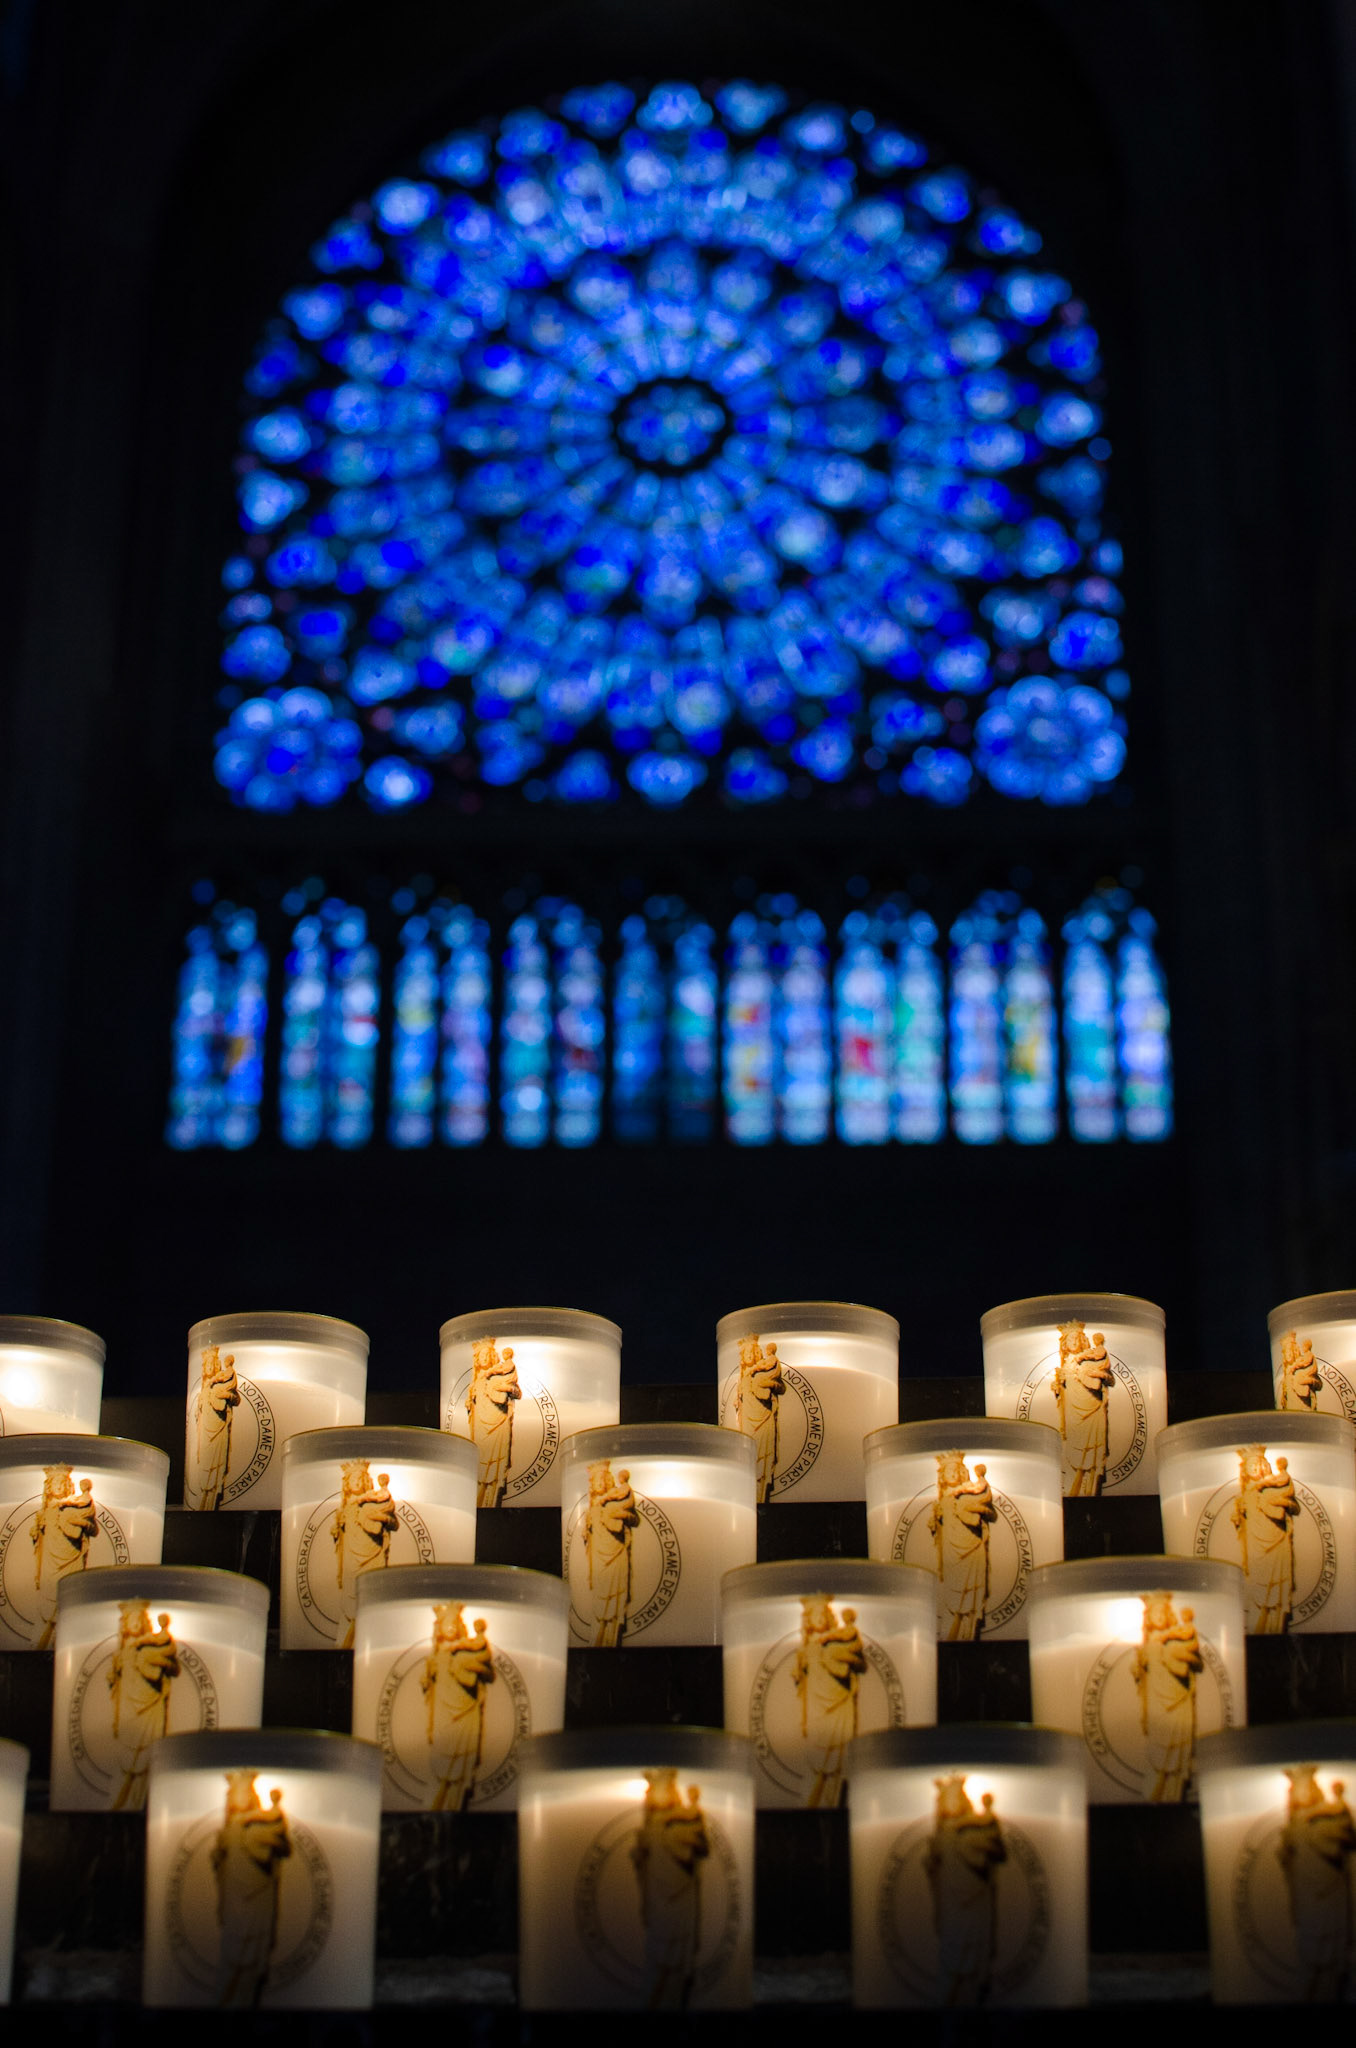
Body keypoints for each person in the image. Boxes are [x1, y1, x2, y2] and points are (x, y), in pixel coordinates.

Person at [924, 1773, 1007, 2006]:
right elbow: (933, 1863)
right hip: (953, 1905)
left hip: (975, 1903)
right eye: (948, 1799)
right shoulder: (947, 1836)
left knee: (973, 1957)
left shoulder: (969, 1833)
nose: (952, 1806)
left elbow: (996, 1852)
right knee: (954, 1955)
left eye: (956, 1798)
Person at [211, 1770, 292, 2007]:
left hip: (258, 1899)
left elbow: (278, 1845)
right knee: (235, 1954)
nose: (241, 1796)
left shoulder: (255, 1828)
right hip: (237, 1900)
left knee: (251, 1959)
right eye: (237, 1792)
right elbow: (220, 1857)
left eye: (246, 1791)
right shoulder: (234, 1830)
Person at [631, 1768, 710, 2009]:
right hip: (666, 1909)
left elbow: (697, 1845)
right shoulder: (665, 1832)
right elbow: (696, 1844)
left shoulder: (665, 1830)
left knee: (669, 1966)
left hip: (672, 1907)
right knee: (666, 1962)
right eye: (671, 1787)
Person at [1277, 1764, 1356, 2000]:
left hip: (1328, 1897)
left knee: (1332, 1958)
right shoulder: (1300, 1827)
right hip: (1312, 1899)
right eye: (1297, 1788)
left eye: (1306, 1786)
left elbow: (1341, 1840)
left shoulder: (1316, 1824)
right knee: (1315, 1955)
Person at [792, 1596, 867, 1807]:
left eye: (823, 1613)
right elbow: (801, 1679)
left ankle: (833, 1802)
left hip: (839, 1699)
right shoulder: (806, 1647)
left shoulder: (836, 1641)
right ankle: (814, 1804)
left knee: (838, 1757)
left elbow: (856, 1661)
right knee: (818, 1755)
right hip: (817, 1705)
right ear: (808, 1619)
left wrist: (844, 1664)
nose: (820, 1618)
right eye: (815, 1614)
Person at [422, 1601, 496, 1812]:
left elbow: (486, 1671)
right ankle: (435, 1810)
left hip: (467, 1709)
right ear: (440, 1628)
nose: (451, 1627)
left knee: (462, 1768)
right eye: (447, 1624)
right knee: (442, 1762)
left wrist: (472, 1671)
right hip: (444, 1712)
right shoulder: (436, 1654)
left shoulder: (465, 1650)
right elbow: (430, 1685)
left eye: (454, 1623)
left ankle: (455, 1808)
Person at [1130, 1592, 1203, 1801]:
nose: (1160, 1617)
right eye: (1155, 1613)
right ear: (1149, 1617)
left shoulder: (1175, 1639)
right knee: (1158, 1749)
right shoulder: (1146, 1644)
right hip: (1157, 1700)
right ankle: (1155, 1797)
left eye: (1163, 1612)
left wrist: (1178, 1659)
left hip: (1179, 1698)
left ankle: (1173, 1795)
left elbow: (1195, 1660)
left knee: (1177, 1753)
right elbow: (1139, 1671)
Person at [108, 1603, 180, 1811]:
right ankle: (121, 1804)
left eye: (139, 1618)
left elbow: (170, 1666)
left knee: (146, 1756)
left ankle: (140, 1803)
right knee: (126, 1755)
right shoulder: (121, 1651)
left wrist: (159, 1667)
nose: (135, 1622)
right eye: (131, 1618)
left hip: (150, 1704)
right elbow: (115, 1680)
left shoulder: (149, 1646)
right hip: (127, 1707)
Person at [331, 1459, 400, 1648]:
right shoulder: (345, 1507)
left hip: (372, 1554)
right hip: (351, 1557)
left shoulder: (373, 1501)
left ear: (367, 1481)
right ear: (347, 1483)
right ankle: (347, 1644)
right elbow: (341, 1534)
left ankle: (371, 1641)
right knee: (351, 1595)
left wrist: (382, 1519)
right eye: (354, 1479)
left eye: (361, 1478)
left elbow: (394, 1523)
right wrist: (337, 1531)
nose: (358, 1482)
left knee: (371, 1595)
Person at [1231, 1445, 1300, 1633]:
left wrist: (1283, 1505)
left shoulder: (1271, 1487)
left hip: (1277, 1540)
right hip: (1256, 1543)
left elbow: (1293, 1506)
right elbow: (1241, 1520)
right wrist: (1238, 1516)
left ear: (1265, 1466)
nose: (1255, 1469)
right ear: (1245, 1471)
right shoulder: (1245, 1493)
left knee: (1276, 1589)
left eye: (1258, 1465)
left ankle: (1274, 1627)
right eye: (1250, 1467)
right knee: (1257, 1585)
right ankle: (1258, 1629)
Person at [929, 1453, 997, 1641]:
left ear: (962, 1472)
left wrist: (978, 1510)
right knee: (952, 1592)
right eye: (949, 1471)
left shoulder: (967, 1491)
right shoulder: (943, 1497)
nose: (953, 1474)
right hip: (951, 1549)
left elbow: (986, 1502)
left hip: (972, 1545)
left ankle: (967, 1632)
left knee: (970, 1597)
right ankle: (952, 1636)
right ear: (942, 1475)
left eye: (956, 1470)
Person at [32, 1464, 99, 1648]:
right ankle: (41, 1646)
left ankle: (63, 1644)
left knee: (66, 1601)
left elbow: (93, 1529)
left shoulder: (73, 1507)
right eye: (56, 1483)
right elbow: (39, 1540)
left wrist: (82, 1524)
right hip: (50, 1561)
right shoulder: (44, 1512)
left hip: (71, 1558)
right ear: (49, 1487)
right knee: (48, 1600)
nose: (60, 1486)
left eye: (63, 1482)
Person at [1052, 1325, 1116, 1496]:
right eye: (1070, 1339)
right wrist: (1057, 1387)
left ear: (1082, 1340)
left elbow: (1109, 1379)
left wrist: (1099, 1376)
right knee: (1074, 1448)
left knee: (1092, 1452)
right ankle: (1074, 1491)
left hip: (1092, 1407)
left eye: (1076, 1338)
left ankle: (1090, 1490)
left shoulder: (1090, 1359)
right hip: (1073, 1412)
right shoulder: (1066, 1362)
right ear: (1065, 1343)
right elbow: (1063, 1389)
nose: (1073, 1342)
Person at [584, 1460, 640, 1646]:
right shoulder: (592, 1507)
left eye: (603, 1479)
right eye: (596, 1480)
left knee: (614, 1602)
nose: (600, 1483)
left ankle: (611, 1639)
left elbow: (634, 1519)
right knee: (599, 1599)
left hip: (616, 1554)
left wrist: (619, 1517)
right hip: (598, 1558)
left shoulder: (615, 1501)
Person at [466, 1339, 522, 1508]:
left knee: (496, 1464)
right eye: (481, 1355)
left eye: (486, 1354)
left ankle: (492, 1500)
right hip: (480, 1425)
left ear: (492, 1356)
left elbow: (517, 1393)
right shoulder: (475, 1380)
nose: (484, 1358)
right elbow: (472, 1403)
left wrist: (508, 1389)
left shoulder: (499, 1374)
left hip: (499, 1421)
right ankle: (480, 1502)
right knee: (482, 1460)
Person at [734, 1335, 785, 1504]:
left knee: (764, 1459)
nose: (751, 1355)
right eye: (747, 1352)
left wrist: (770, 1386)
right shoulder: (742, 1376)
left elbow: (781, 1387)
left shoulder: (763, 1371)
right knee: (750, 1457)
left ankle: (762, 1499)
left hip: (764, 1418)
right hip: (748, 1422)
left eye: (754, 1351)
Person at [193, 1346, 240, 1511]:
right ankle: (203, 1505)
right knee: (204, 1467)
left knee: (216, 1468)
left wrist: (227, 1396)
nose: (210, 1367)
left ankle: (211, 1504)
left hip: (219, 1430)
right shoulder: (204, 1387)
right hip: (205, 1433)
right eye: (207, 1364)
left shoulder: (222, 1382)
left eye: (212, 1364)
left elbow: (236, 1399)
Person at [1278, 1331, 1322, 1412]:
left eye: (1292, 1350)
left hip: (1304, 1408)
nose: (1289, 1354)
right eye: (1287, 1351)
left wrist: (1310, 1381)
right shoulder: (1285, 1373)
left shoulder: (1303, 1365)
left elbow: (1319, 1384)